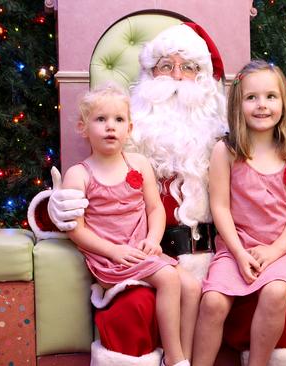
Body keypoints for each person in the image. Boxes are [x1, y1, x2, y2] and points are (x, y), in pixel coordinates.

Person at [47, 23, 286, 365]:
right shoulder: (128, 136)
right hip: (147, 260)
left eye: (188, 68)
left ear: (204, 78)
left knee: (279, 312)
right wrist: (61, 205)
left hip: (220, 258)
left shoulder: (228, 139)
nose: (176, 77)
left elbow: (282, 194)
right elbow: (90, 189)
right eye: (165, 66)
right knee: (132, 313)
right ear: (148, 75)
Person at [61, 85, 197, 366]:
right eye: (101, 119)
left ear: (130, 127)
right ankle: (173, 358)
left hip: (143, 250)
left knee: (193, 287)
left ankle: (186, 355)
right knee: (170, 280)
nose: (110, 127)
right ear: (83, 127)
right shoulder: (79, 174)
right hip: (111, 258)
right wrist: (114, 251)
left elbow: (155, 208)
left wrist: (154, 239)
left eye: (118, 120)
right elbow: (76, 229)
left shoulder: (138, 164)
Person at [193, 60, 286, 366]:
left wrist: (275, 251)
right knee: (212, 302)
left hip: (281, 247)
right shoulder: (227, 151)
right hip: (237, 245)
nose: (262, 106)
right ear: (239, 105)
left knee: (276, 293)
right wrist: (238, 252)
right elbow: (220, 206)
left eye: (270, 97)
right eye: (252, 98)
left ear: (283, 104)